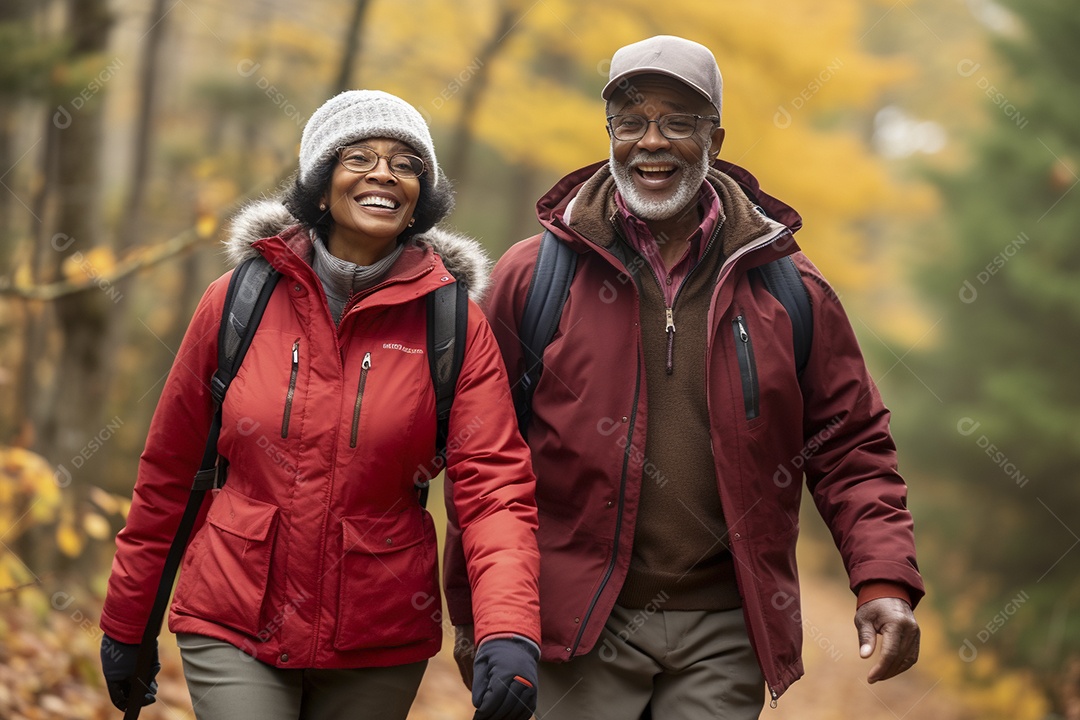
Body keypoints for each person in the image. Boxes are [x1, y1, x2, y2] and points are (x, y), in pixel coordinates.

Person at [447, 35, 924, 718]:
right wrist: (482, 614)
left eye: (679, 122)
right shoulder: (535, 276)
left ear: (716, 138)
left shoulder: (789, 287)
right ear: (608, 134)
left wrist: (884, 577)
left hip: (722, 632)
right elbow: (483, 455)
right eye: (632, 122)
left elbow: (852, 446)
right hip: (573, 624)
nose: (652, 142)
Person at [99, 89, 541, 720]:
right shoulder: (237, 300)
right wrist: (127, 619)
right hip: (232, 615)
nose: (384, 174)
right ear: (320, 180)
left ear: (423, 193)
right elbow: (170, 473)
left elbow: (493, 486)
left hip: (377, 633)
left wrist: (508, 627)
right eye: (358, 157)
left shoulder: (452, 322)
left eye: (407, 163)